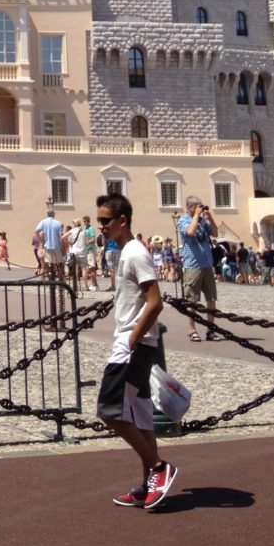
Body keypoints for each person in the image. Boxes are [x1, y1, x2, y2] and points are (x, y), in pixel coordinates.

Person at [94, 192, 177, 510]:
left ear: (122, 221)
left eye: (105, 221)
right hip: (139, 343)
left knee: (109, 411)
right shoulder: (126, 252)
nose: (100, 227)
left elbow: (155, 302)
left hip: (133, 344)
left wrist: (131, 340)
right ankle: (147, 485)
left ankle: (158, 468)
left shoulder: (134, 254)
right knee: (141, 416)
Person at [177, 196, 218, 342]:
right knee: (192, 300)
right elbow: (190, 232)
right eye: (197, 206)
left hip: (207, 264)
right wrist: (195, 216)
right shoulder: (183, 220)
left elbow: (215, 233)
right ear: (190, 207)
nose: (200, 209)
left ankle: (211, 329)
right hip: (192, 265)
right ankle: (192, 329)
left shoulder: (203, 221)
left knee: (211, 299)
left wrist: (210, 218)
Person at [36, 209, 65, 281]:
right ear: (54, 214)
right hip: (57, 246)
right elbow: (60, 236)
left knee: (49, 264)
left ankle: (51, 280)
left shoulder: (43, 222)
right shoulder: (58, 223)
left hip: (47, 246)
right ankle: (61, 280)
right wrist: (62, 246)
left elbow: (36, 231)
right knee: (59, 264)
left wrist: (41, 240)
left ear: (47, 214)